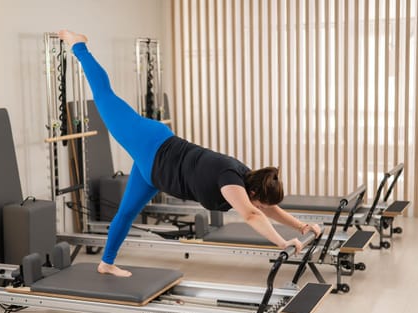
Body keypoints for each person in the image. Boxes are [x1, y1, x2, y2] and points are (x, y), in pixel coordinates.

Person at [58, 30, 321, 277]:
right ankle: (79, 46)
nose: (264, 208)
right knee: (104, 97)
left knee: (126, 213)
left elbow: (267, 209)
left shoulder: (249, 183)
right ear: (253, 194)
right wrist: (282, 241)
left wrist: (300, 226)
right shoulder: (232, 181)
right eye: (261, 202)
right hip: (150, 144)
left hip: (154, 172)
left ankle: (106, 263)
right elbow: (253, 214)